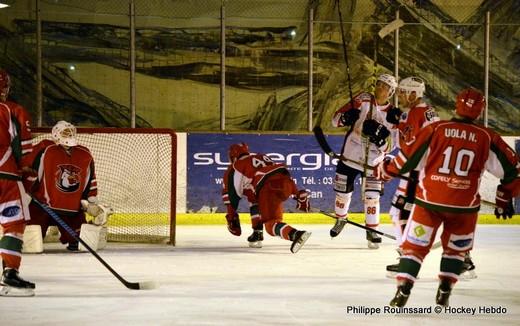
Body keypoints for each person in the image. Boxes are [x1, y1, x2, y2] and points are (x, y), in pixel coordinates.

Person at [376, 88, 520, 307]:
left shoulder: (436, 129)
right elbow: (514, 171)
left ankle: (403, 290)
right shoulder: (487, 137)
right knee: (455, 250)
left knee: (415, 246)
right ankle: (444, 291)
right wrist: (503, 195)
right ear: (480, 112)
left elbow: (407, 159)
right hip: (464, 207)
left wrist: (386, 170)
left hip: (429, 202)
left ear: (455, 106)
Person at [330, 73, 398, 249]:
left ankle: (372, 230)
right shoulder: (363, 99)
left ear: (391, 92)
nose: (380, 87)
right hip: (350, 156)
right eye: (379, 84)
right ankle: (341, 219)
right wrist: (346, 117)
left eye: (385, 86)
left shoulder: (393, 115)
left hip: (373, 162)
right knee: (342, 193)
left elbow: (391, 147)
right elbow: (335, 120)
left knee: (372, 197)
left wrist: (380, 138)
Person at [383, 77, 440, 275]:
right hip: (424, 170)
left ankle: (406, 257)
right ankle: (463, 257)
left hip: (415, 171)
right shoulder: (425, 112)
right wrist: (397, 122)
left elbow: (411, 147)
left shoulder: (417, 113)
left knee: (399, 213)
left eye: (403, 91)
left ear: (414, 94)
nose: (400, 95)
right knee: (412, 213)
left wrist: (392, 166)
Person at [25, 121, 111, 252]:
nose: (68, 136)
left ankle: (73, 238)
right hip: (42, 206)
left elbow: (90, 179)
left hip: (71, 209)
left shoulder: (84, 154)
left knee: (81, 242)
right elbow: (27, 170)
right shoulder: (45, 149)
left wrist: (91, 200)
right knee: (29, 243)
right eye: (65, 133)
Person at [224, 142, 311, 253]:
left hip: (267, 189)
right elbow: (277, 176)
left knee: (271, 225)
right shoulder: (263, 157)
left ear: (233, 157)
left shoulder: (237, 166)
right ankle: (257, 232)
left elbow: (232, 195)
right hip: (287, 182)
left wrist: (232, 217)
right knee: (254, 197)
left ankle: (295, 234)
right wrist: (297, 194)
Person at [0, 69, 36, 296]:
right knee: (13, 224)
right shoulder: (12, 110)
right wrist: (27, 175)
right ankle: (9, 274)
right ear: (5, 87)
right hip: (5, 177)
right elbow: (23, 147)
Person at [222, 156, 264, 248]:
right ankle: (258, 232)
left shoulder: (234, 168)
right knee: (254, 201)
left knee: (254, 202)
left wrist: (231, 216)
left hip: (256, 186)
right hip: (273, 185)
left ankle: (292, 233)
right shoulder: (260, 157)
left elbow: (229, 193)